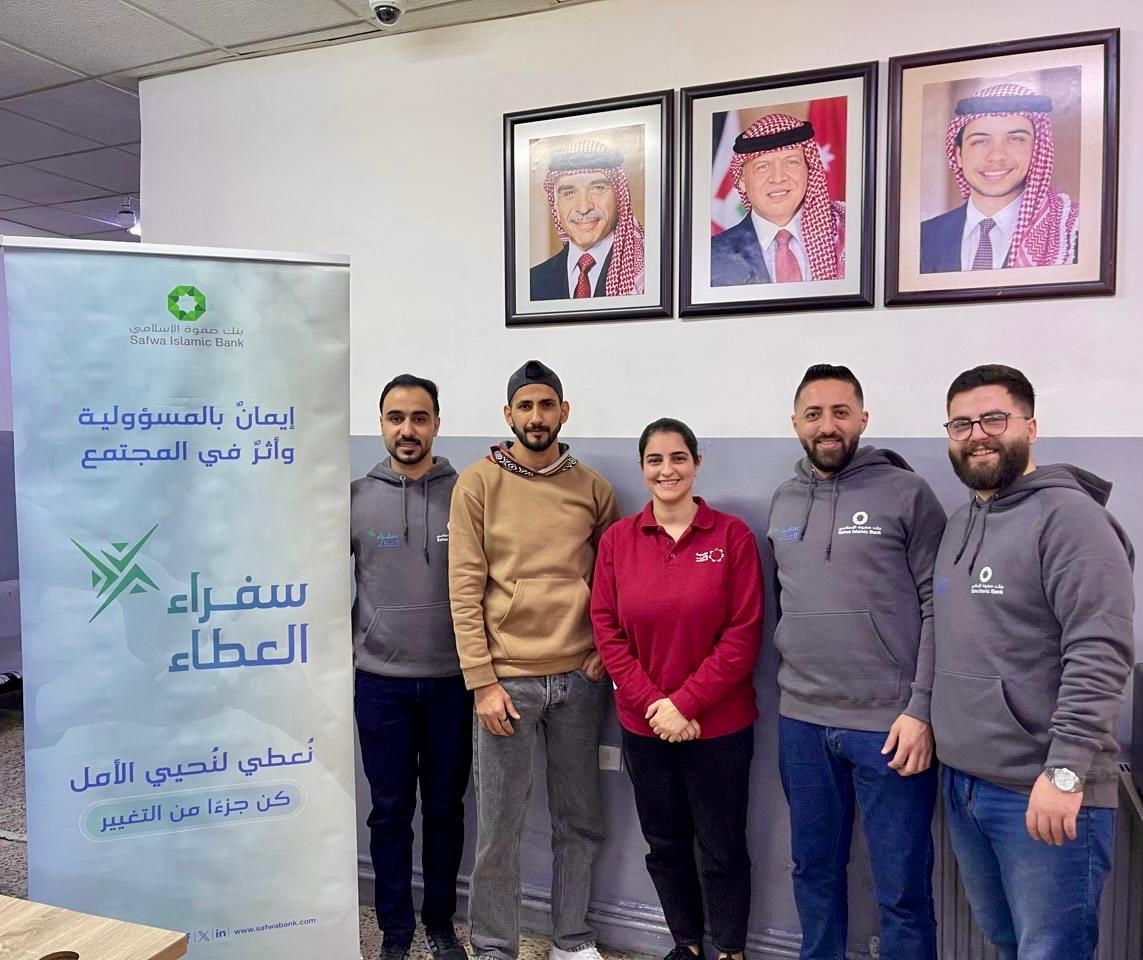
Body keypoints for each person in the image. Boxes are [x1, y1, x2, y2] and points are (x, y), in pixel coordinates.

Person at [932, 364, 1134, 960]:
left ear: (1031, 426)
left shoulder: (1073, 520)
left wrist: (1066, 771)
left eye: (994, 419)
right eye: (962, 423)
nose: (977, 434)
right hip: (964, 782)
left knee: (1051, 950)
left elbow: (1100, 650)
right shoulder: (960, 522)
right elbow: (941, 633)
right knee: (1006, 941)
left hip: (1042, 788)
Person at [767, 364, 947, 960]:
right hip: (802, 720)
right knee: (812, 871)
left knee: (902, 888)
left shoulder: (907, 493)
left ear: (863, 419)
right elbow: (785, 602)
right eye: (814, 414)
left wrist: (921, 709)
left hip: (890, 726)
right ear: (795, 423)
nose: (828, 425)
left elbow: (939, 605)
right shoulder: (784, 499)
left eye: (840, 412)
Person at [448, 360, 621, 960]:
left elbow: (615, 580)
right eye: (525, 406)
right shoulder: (478, 484)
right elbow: (464, 587)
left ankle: (571, 940)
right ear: (508, 414)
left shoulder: (593, 488)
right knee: (499, 827)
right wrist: (481, 681)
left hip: (579, 680)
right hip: (507, 684)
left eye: (547, 405)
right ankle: (495, 947)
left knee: (580, 820)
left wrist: (602, 652)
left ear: (563, 412)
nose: (536, 416)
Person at [591, 418, 763, 960]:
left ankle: (730, 949)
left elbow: (743, 633)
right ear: (643, 468)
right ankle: (685, 944)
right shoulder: (618, 540)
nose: (667, 470)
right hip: (645, 727)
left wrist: (685, 704)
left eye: (678, 458)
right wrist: (655, 706)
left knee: (723, 844)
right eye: (655, 460)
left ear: (696, 463)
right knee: (664, 843)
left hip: (720, 725)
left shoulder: (731, 536)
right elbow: (606, 629)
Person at [351, 374, 471, 960]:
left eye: (419, 417)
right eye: (395, 417)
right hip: (380, 684)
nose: (407, 429)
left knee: (446, 809)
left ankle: (441, 923)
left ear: (437, 424)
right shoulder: (354, 499)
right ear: (381, 424)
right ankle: (395, 930)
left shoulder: (468, 494)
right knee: (389, 813)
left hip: (455, 683)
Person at [920, 83, 1080, 274]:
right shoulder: (921, 239)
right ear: (958, 155)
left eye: (1015, 139)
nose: (996, 156)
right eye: (980, 141)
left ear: (1038, 150)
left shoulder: (1072, 233)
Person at [711, 113, 845, 286]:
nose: (778, 177)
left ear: (809, 170)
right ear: (742, 181)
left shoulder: (848, 232)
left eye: (791, 162)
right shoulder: (712, 256)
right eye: (763, 166)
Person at [530, 140, 645, 300]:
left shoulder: (647, 270)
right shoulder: (532, 282)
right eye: (569, 193)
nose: (583, 208)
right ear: (555, 204)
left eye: (598, 188)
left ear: (619, 196)